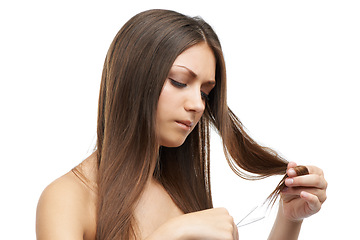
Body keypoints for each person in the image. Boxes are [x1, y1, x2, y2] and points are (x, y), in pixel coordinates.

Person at [36, 9, 327, 240]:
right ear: (134, 80)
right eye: (179, 82)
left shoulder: (182, 191)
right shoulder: (67, 199)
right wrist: (170, 233)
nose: (198, 105)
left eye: (204, 92)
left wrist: (289, 220)